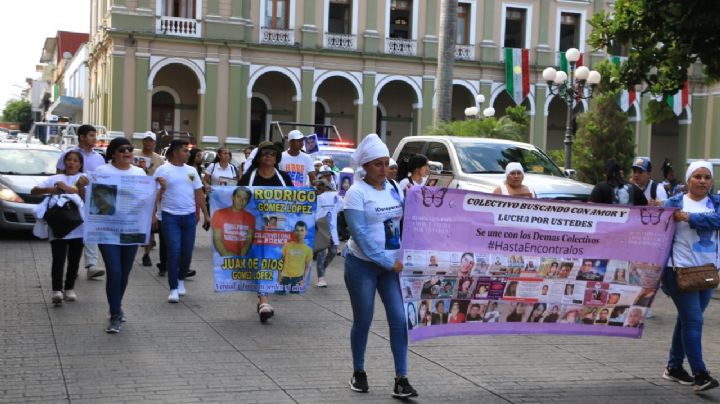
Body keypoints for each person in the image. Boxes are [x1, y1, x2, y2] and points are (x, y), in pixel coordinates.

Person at [342, 133, 417, 398]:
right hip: (362, 265)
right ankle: (359, 372)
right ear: (365, 166)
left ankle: (401, 378)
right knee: (363, 320)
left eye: (387, 163)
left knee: (398, 319)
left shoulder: (394, 188)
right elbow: (360, 235)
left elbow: (408, 221)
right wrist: (387, 261)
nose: (384, 169)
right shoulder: (355, 193)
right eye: (378, 164)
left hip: (392, 267)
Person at [660, 160, 720, 391]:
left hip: (707, 273)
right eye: (697, 176)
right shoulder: (674, 203)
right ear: (688, 180)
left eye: (706, 177)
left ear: (711, 181)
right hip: (679, 271)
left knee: (686, 320)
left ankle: (674, 367)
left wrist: (688, 218)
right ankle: (700, 374)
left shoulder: (715, 203)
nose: (702, 181)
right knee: (694, 320)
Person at [95, 138, 154, 333]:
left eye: (130, 149)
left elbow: (146, 199)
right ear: (113, 153)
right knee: (115, 271)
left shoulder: (138, 172)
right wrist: (82, 185)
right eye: (122, 149)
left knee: (124, 273)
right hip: (108, 230)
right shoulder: (102, 172)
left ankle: (116, 307)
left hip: (131, 230)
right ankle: (114, 315)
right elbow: (92, 200)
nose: (127, 152)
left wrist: (159, 188)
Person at [239, 141, 294, 322]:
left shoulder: (284, 178)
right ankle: (263, 300)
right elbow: (236, 197)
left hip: (278, 227)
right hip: (254, 227)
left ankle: (263, 299)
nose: (268, 156)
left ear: (277, 157)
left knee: (272, 261)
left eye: (272, 153)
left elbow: (295, 201)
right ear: (259, 157)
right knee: (260, 262)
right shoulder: (249, 177)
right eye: (264, 153)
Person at [154, 139, 210, 304]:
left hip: (189, 216)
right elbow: (154, 196)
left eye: (188, 150)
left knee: (186, 252)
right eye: (185, 150)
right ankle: (173, 288)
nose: (188, 153)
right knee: (175, 251)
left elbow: (199, 193)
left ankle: (180, 280)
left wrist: (206, 214)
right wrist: (153, 215)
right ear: (175, 152)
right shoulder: (163, 170)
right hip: (170, 216)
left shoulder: (191, 171)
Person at [32, 151, 89, 304]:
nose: (71, 163)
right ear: (64, 163)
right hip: (58, 225)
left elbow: (87, 198)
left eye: (75, 160)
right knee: (58, 258)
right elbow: (34, 190)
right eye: (68, 160)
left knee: (74, 260)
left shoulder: (84, 179)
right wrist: (52, 190)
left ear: (80, 164)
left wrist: (69, 188)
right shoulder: (55, 178)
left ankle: (69, 288)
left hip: (78, 225)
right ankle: (56, 290)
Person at [56, 124, 106, 279]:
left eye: (95, 135)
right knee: (74, 232)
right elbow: (59, 176)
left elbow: (103, 179)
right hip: (73, 200)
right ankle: (73, 265)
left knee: (91, 231)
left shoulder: (99, 157)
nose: (95, 138)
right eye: (91, 135)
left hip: (93, 200)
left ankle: (91, 265)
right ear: (82, 137)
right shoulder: (70, 154)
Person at [133, 131, 166, 268]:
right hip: (136, 194)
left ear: (154, 143)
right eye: (146, 140)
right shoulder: (134, 156)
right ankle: (146, 242)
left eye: (150, 140)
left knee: (150, 224)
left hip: (153, 195)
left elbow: (164, 176)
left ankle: (146, 253)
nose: (148, 143)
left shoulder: (159, 159)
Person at [314, 176, 342, 287]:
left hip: (332, 228)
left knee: (333, 251)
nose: (318, 190)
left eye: (320, 187)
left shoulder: (335, 196)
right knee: (321, 252)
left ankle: (322, 269)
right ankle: (321, 278)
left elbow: (340, 206)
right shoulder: (316, 197)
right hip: (320, 227)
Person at [211, 187, 255, 256]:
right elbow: (217, 238)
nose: (241, 201)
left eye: (245, 199)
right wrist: (226, 254)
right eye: (238, 197)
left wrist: (241, 256)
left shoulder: (251, 218)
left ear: (248, 201)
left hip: (241, 257)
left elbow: (249, 240)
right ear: (233, 197)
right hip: (223, 257)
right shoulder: (219, 214)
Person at [278, 221, 313, 291]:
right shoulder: (287, 245)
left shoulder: (308, 250)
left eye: (302, 230)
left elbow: (307, 266)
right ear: (294, 232)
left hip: (298, 279)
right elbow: (280, 261)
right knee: (279, 295)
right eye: (297, 230)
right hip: (284, 278)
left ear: (306, 232)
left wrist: (304, 279)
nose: (299, 233)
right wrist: (279, 276)